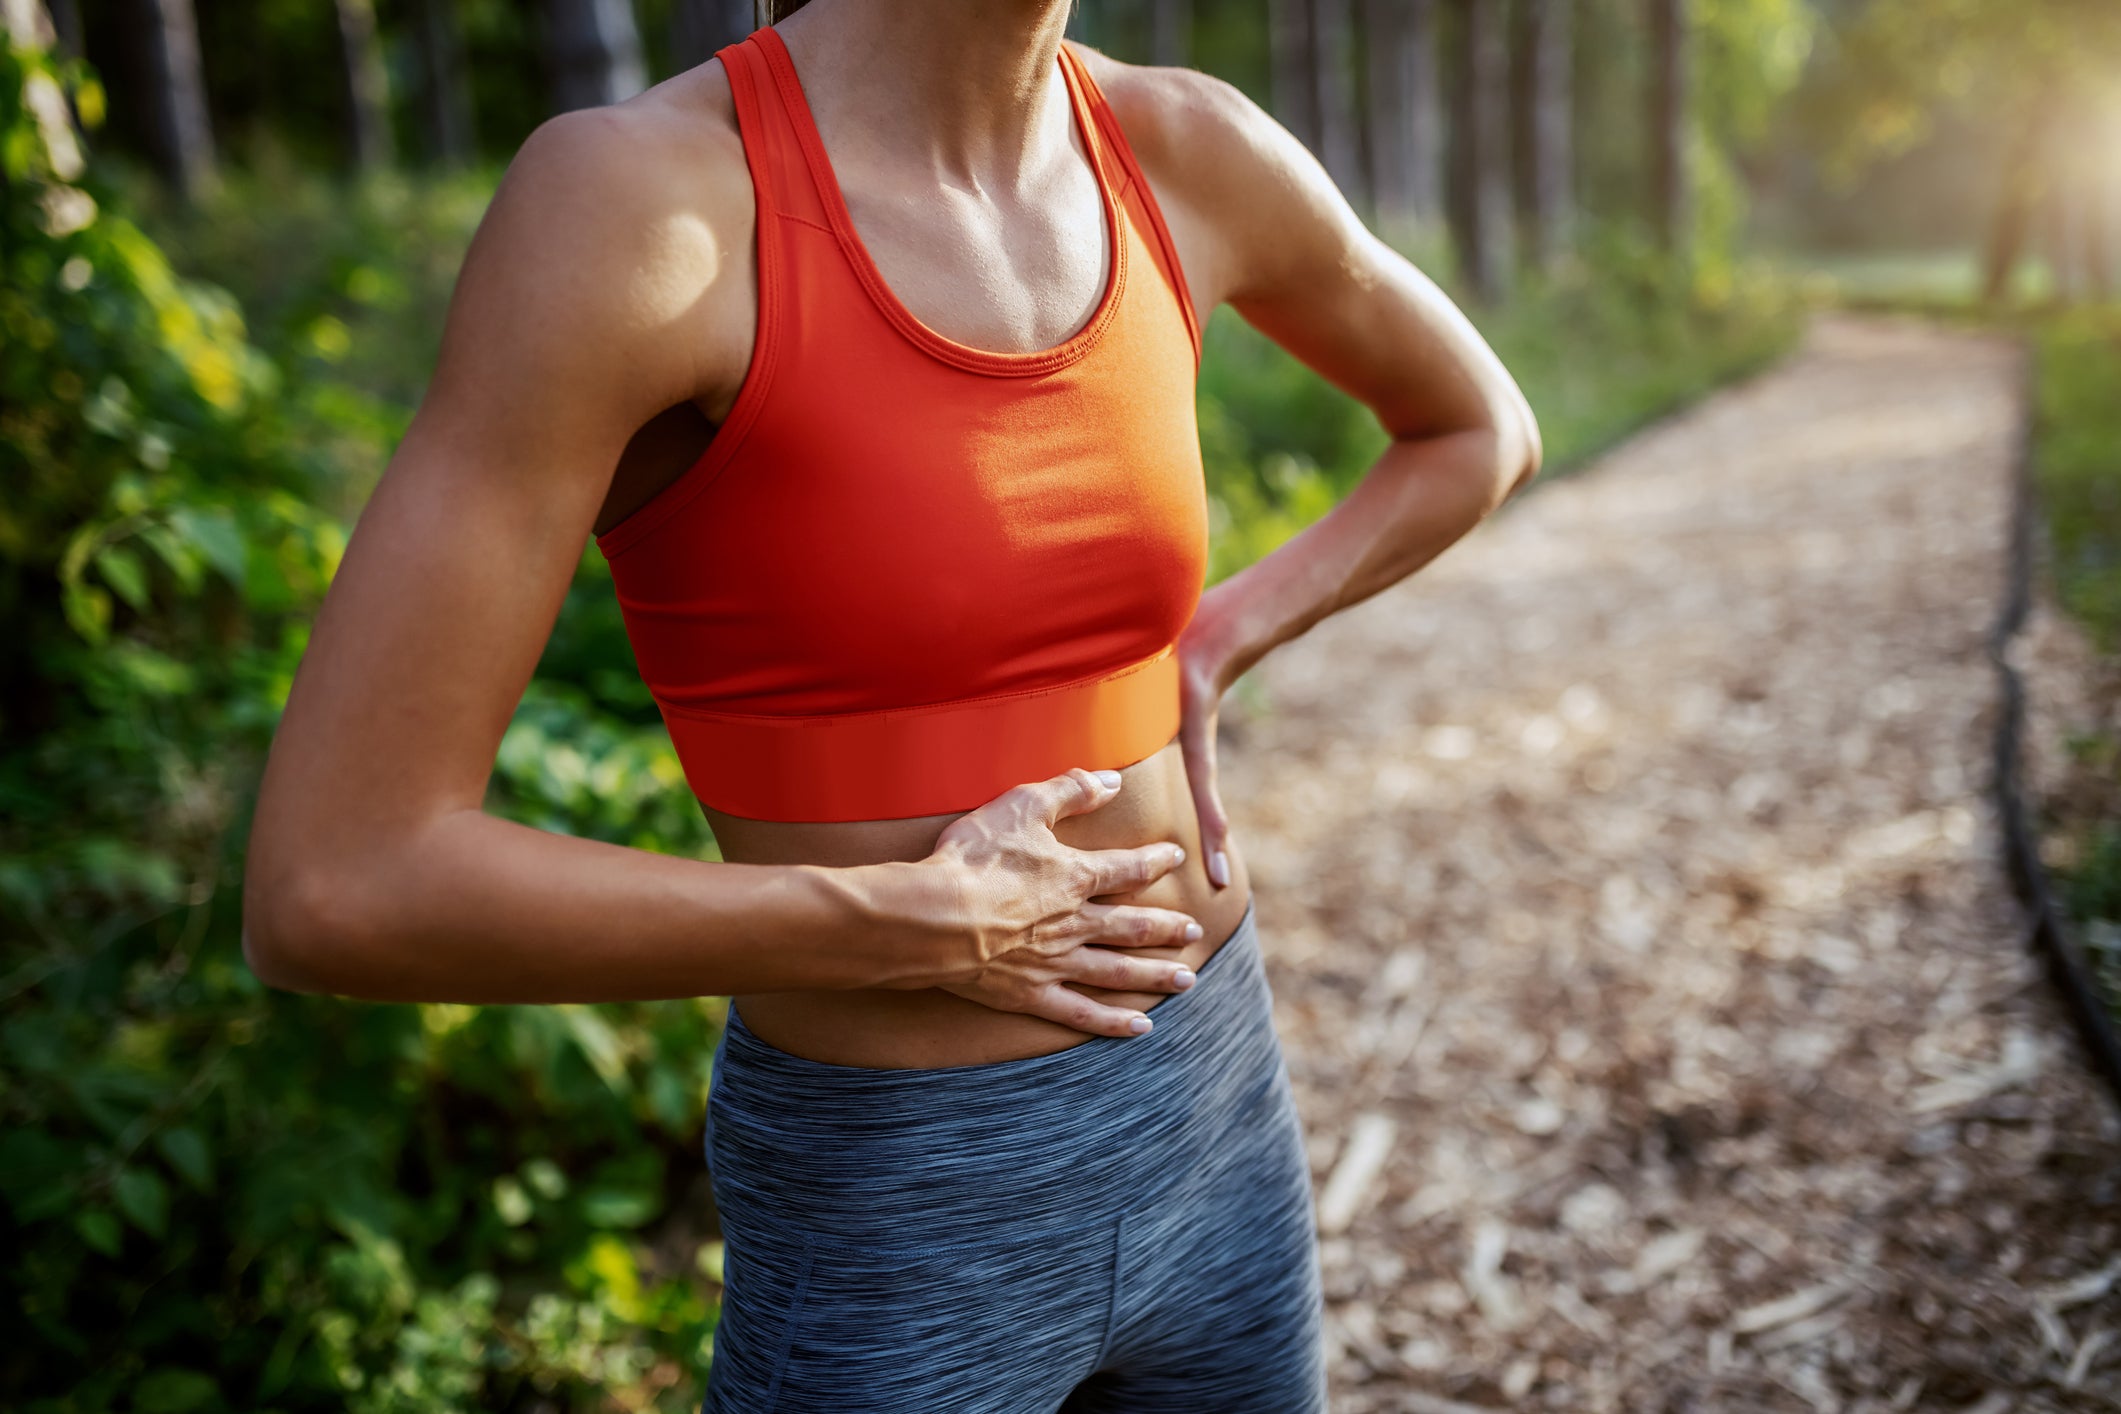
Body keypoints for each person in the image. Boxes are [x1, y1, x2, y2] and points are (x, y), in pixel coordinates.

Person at [241, 0, 1540, 1407]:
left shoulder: (1180, 145)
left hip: (1214, 1107)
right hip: (898, 1195)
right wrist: (904, 922)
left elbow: (1478, 426)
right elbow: (339, 881)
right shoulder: (641, 207)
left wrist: (1218, 635)